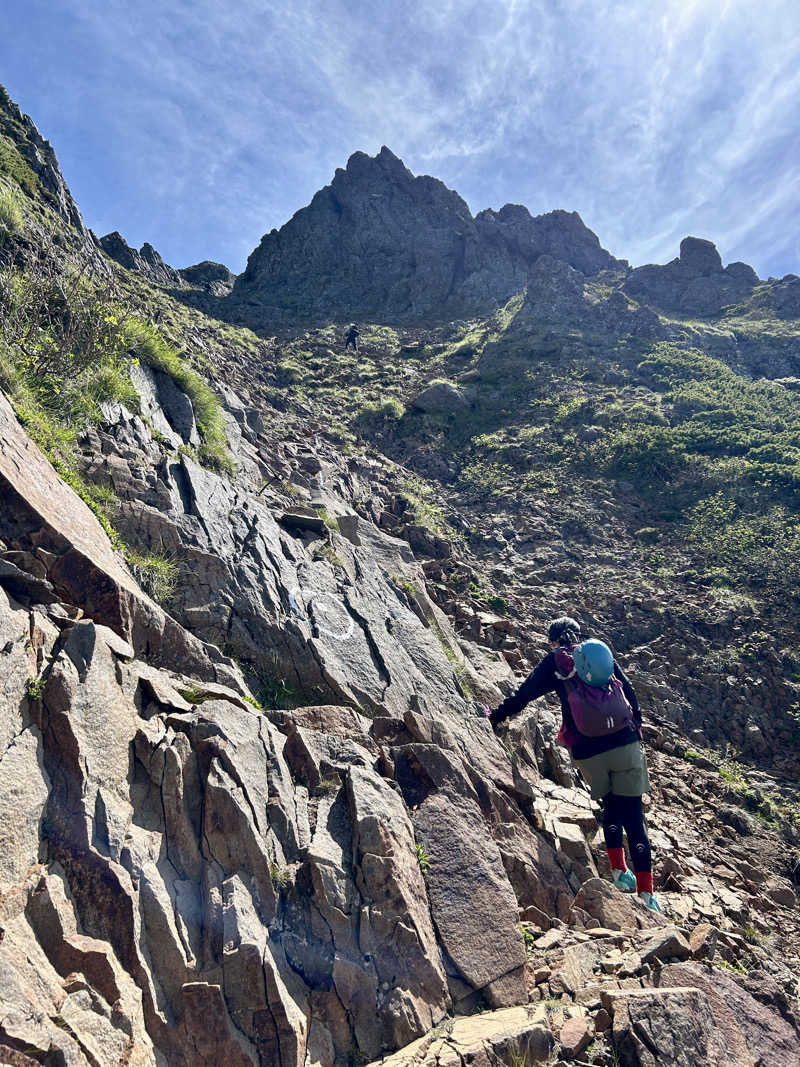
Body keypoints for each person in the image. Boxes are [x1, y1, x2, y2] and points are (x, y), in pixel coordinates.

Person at [489, 616, 661, 912]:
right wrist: (637, 732)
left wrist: (494, 718)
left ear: (553, 640)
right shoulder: (597, 653)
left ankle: (619, 872)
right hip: (626, 744)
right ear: (579, 635)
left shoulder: (555, 662)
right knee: (633, 815)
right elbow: (629, 692)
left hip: (587, 750)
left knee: (610, 805)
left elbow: (523, 696)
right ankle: (647, 895)